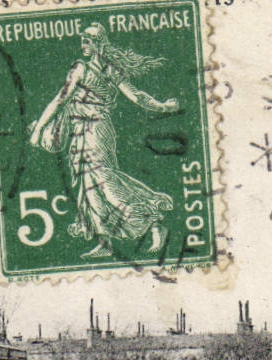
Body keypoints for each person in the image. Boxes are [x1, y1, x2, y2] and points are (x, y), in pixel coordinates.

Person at [29, 23, 179, 259]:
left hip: (94, 133)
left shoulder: (86, 69)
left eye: (88, 41)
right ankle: (105, 242)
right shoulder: (107, 70)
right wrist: (163, 106)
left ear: (99, 43)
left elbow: (60, 100)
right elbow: (135, 96)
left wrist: (38, 130)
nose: (83, 46)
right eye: (82, 41)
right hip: (83, 132)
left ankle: (151, 221)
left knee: (103, 182)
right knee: (89, 186)